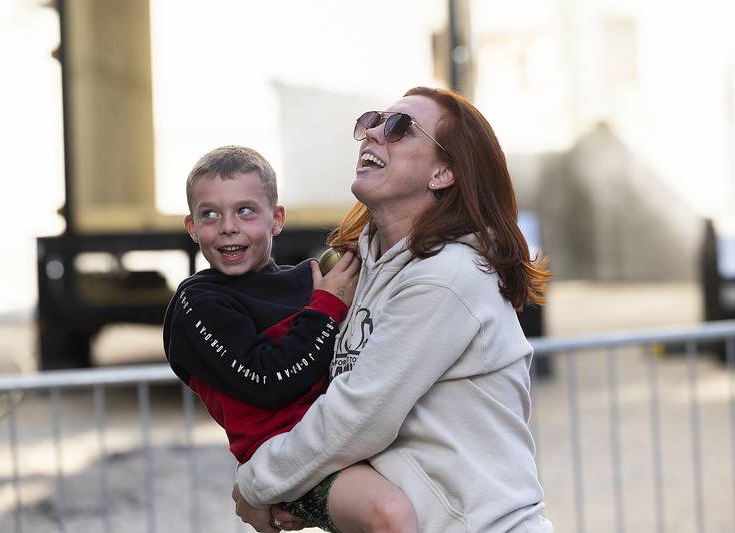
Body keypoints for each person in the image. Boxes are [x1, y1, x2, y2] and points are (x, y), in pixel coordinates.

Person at [233, 88, 555, 533]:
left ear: (443, 173)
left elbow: (358, 416)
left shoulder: (447, 277)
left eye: (401, 128)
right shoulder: (356, 271)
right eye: (373, 121)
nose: (373, 134)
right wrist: (313, 498)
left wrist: (256, 484)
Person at [163, 145, 419, 533]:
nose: (228, 225)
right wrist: (327, 308)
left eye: (245, 210)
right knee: (390, 515)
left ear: (276, 218)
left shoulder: (311, 279)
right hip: (287, 456)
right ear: (192, 228)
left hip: (348, 437)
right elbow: (266, 380)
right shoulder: (197, 302)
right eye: (210, 214)